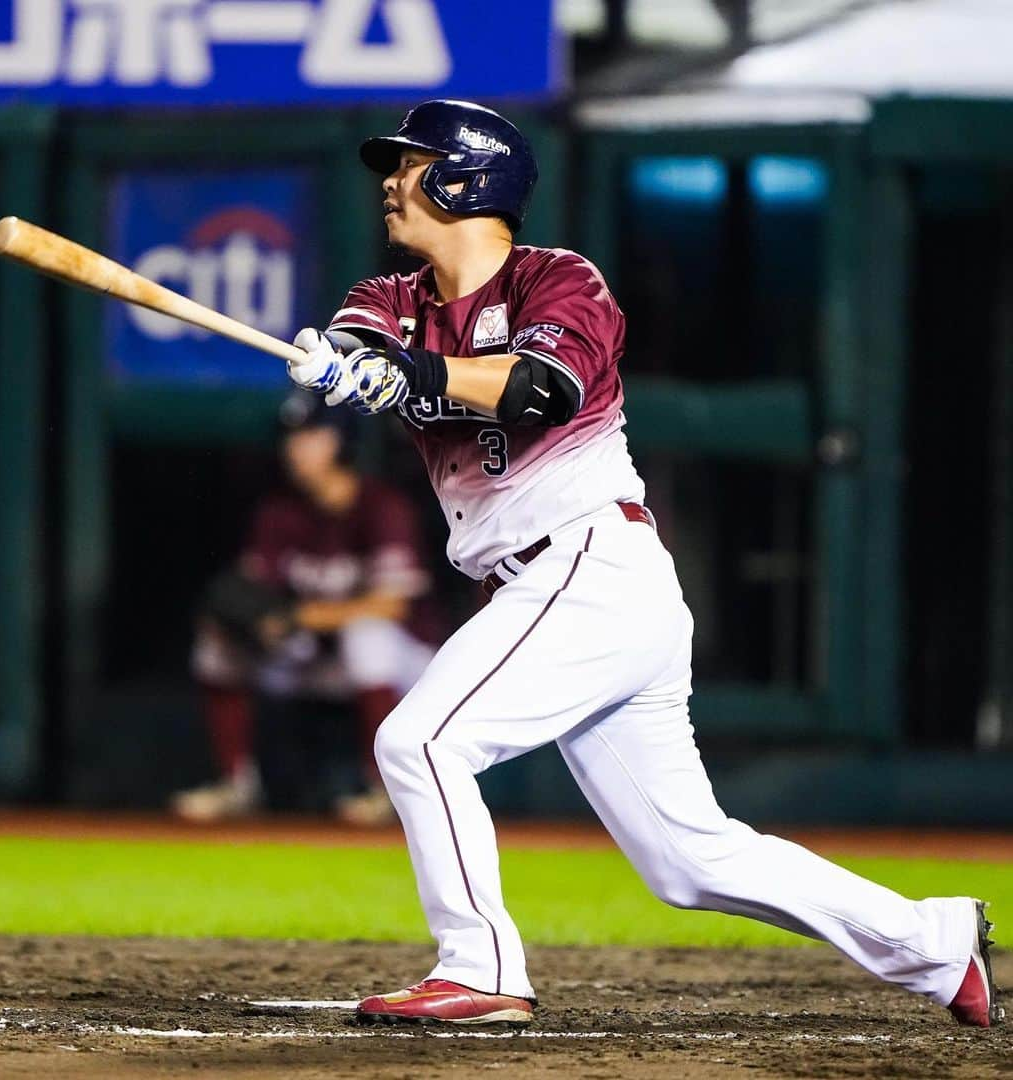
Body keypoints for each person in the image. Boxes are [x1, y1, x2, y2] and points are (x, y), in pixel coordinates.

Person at [285, 100, 1002, 1028]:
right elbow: (360, 338)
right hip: (552, 589)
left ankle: (481, 965)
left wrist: (414, 376)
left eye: (413, 162)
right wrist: (346, 363)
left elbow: (541, 389)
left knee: (419, 740)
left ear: (469, 178)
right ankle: (933, 942)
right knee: (689, 860)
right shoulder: (394, 297)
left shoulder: (561, 282)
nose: (390, 180)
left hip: (591, 566)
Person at [172, 392, 437, 826]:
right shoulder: (279, 513)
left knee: (367, 636)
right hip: (315, 658)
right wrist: (246, 620)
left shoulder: (381, 506)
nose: (294, 448)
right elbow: (251, 596)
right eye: (291, 438)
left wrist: (296, 617)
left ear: (338, 441)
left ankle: (383, 790)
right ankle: (237, 784)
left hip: (408, 666)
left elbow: (390, 605)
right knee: (216, 646)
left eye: (309, 435)